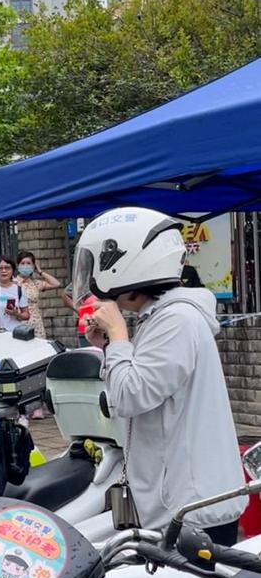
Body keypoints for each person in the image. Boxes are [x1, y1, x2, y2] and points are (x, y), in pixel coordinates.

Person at [73, 206, 245, 543]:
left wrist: (119, 337)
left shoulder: (177, 320)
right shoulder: (161, 318)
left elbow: (131, 396)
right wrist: (111, 345)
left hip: (191, 511)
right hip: (176, 505)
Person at [15, 250, 61, 340]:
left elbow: (56, 284)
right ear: (18, 266)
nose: (25, 266)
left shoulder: (36, 283)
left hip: (36, 324)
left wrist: (40, 272)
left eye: (28, 263)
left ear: (33, 266)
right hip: (20, 323)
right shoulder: (14, 283)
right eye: (22, 263)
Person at [0, 256, 30, 334]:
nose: (3, 271)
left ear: (13, 270)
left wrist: (16, 314)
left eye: (7, 268)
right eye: (0, 268)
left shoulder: (19, 290)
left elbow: (26, 315)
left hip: (14, 335)